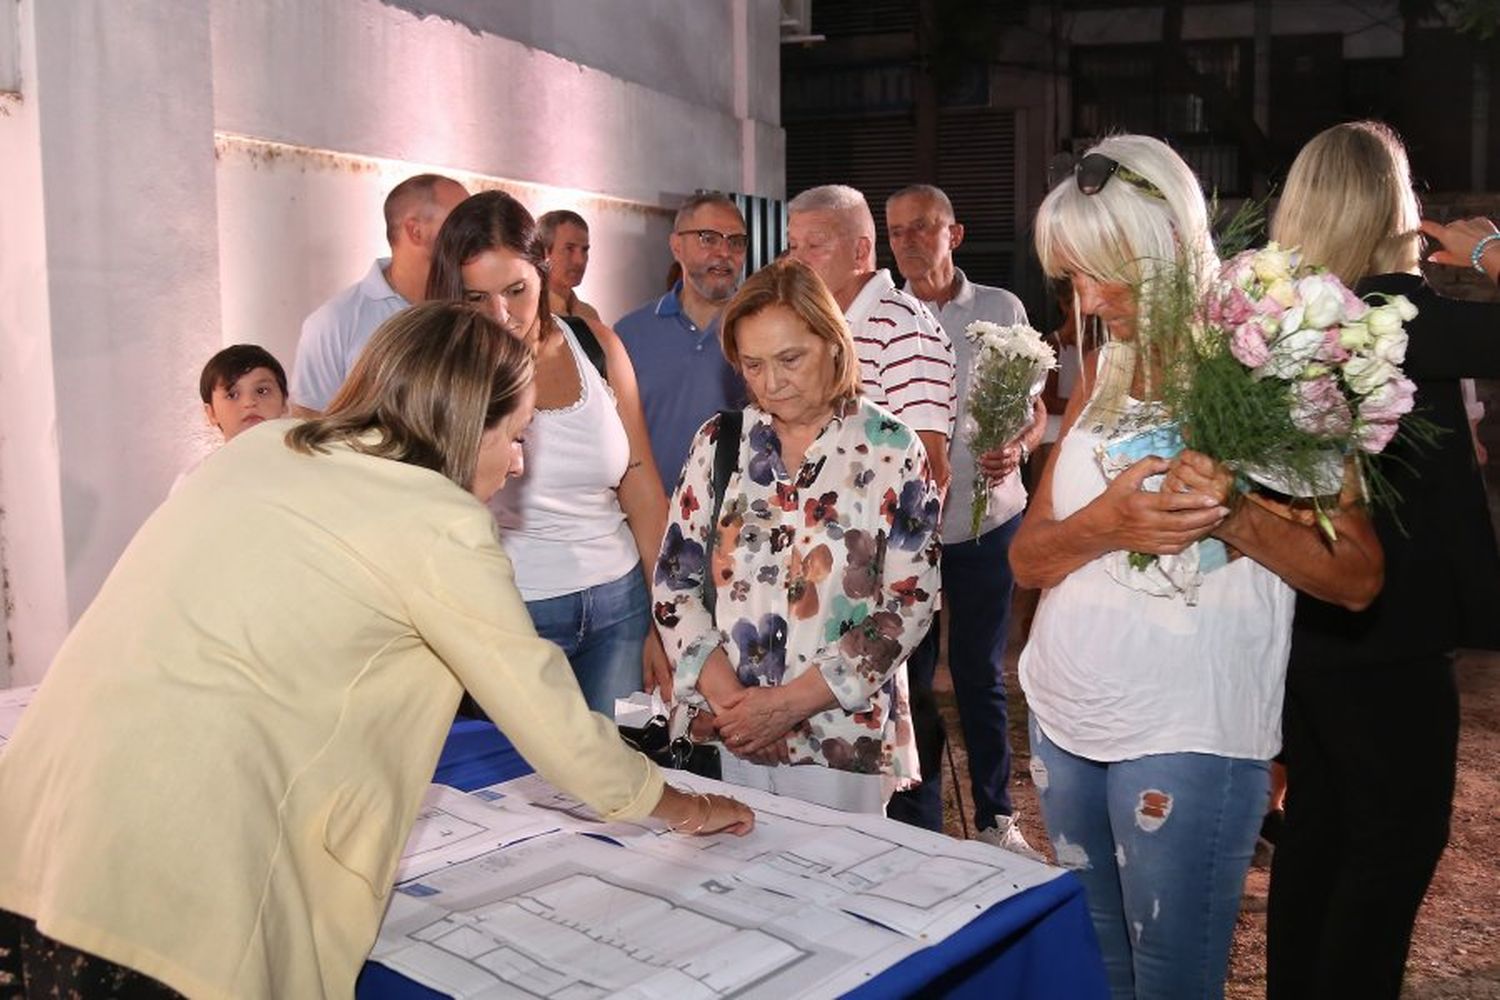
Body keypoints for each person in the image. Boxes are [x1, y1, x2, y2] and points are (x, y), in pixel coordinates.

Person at [0, 301, 752, 1000]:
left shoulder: (258, 449)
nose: (520, 461)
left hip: (35, 847)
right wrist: (682, 805)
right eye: (516, 434)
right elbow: (554, 724)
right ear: (463, 423)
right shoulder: (435, 520)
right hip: (170, 900)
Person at [1011, 134, 1383, 1000]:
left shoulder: (1271, 365)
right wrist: (1105, 525)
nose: (1091, 300)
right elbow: (1030, 559)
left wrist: (1238, 512)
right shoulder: (1103, 364)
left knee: (1172, 985)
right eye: (1072, 278)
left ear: (1170, 245)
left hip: (1189, 730)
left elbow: (1358, 575)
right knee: (1099, 977)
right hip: (1067, 716)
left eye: (1109, 274)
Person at [1264, 120, 1500, 1000]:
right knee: (1392, 847)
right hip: (1391, 633)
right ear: (1391, 205)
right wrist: (1489, 252)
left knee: (1321, 833)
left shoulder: (1280, 320)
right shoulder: (1395, 318)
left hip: (1304, 620)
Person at [652, 257, 942, 814]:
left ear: (834, 343)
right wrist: (731, 701)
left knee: (836, 889)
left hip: (837, 736)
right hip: (725, 729)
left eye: (790, 359)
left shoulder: (892, 450)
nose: (771, 382)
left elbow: (909, 604)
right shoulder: (720, 442)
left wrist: (788, 704)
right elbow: (675, 581)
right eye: (753, 365)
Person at [427, 191, 673, 712]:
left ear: (544, 273)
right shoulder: (438, 373)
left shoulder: (598, 346)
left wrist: (665, 617)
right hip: (510, 616)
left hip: (620, 607)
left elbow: (644, 489)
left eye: (516, 290)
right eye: (476, 299)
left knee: (616, 780)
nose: (501, 314)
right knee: (517, 787)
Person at [884, 183, 1046, 855]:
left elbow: (1035, 409)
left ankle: (994, 817)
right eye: (896, 232)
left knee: (980, 676)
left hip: (986, 524)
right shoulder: (880, 316)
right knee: (910, 682)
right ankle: (917, 820)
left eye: (923, 227)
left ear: (955, 233)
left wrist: (1024, 445)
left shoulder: (1000, 309)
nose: (910, 241)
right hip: (907, 534)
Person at [786, 184, 956, 495]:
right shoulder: (820, 323)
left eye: (815, 245)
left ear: (860, 251)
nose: (798, 261)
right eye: (793, 246)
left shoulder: (901, 326)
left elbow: (930, 467)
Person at [289, 173, 468, 416]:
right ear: (415, 231)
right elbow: (308, 427)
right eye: (460, 220)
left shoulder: (480, 304)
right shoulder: (333, 322)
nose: (474, 230)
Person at [615, 192, 749, 493]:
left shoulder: (761, 332)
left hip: (741, 518)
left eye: (736, 241)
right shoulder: (629, 335)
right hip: (653, 517)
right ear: (676, 246)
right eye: (708, 238)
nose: (724, 252)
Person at [199, 344, 288, 442]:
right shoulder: (217, 458)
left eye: (261, 391)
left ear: (284, 401)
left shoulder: (303, 456)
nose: (249, 403)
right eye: (232, 395)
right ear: (211, 413)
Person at [538, 209, 602, 323]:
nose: (580, 260)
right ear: (545, 252)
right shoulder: (530, 313)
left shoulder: (590, 315)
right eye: (569, 249)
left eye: (584, 250)